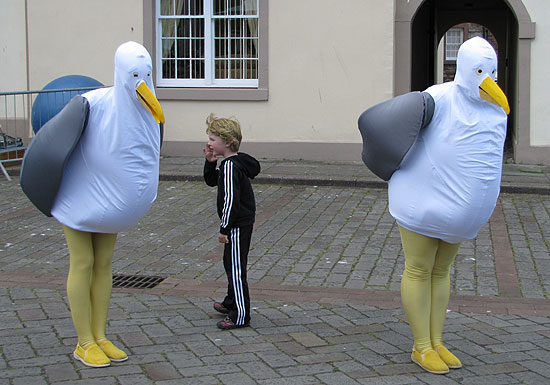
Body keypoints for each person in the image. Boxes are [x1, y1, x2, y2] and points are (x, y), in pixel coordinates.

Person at [359, 37, 509, 374]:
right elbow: (388, 124)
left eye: (492, 73)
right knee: (419, 267)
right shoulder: (438, 98)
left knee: (441, 271)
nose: (489, 80)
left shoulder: (494, 109)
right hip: (421, 201)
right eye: (481, 72)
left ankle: (437, 340)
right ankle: (421, 346)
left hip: (459, 213)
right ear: (467, 70)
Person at [20, 42, 165, 367]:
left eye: (147, 75)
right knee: (83, 261)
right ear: (122, 73)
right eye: (135, 75)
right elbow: (50, 144)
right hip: (77, 195)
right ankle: (83, 342)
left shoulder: (147, 112)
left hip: (111, 198)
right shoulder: (91, 103)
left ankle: (100, 335)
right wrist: (41, 189)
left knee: (105, 262)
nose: (142, 82)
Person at [202, 113, 260, 329]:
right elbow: (211, 182)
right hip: (240, 222)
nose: (209, 142)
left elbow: (230, 200)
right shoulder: (231, 163)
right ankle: (230, 301)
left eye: (213, 139)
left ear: (227, 142)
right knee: (231, 262)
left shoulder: (230, 167)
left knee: (235, 268)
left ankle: (241, 314)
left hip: (236, 225)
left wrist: (224, 228)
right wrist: (210, 163)